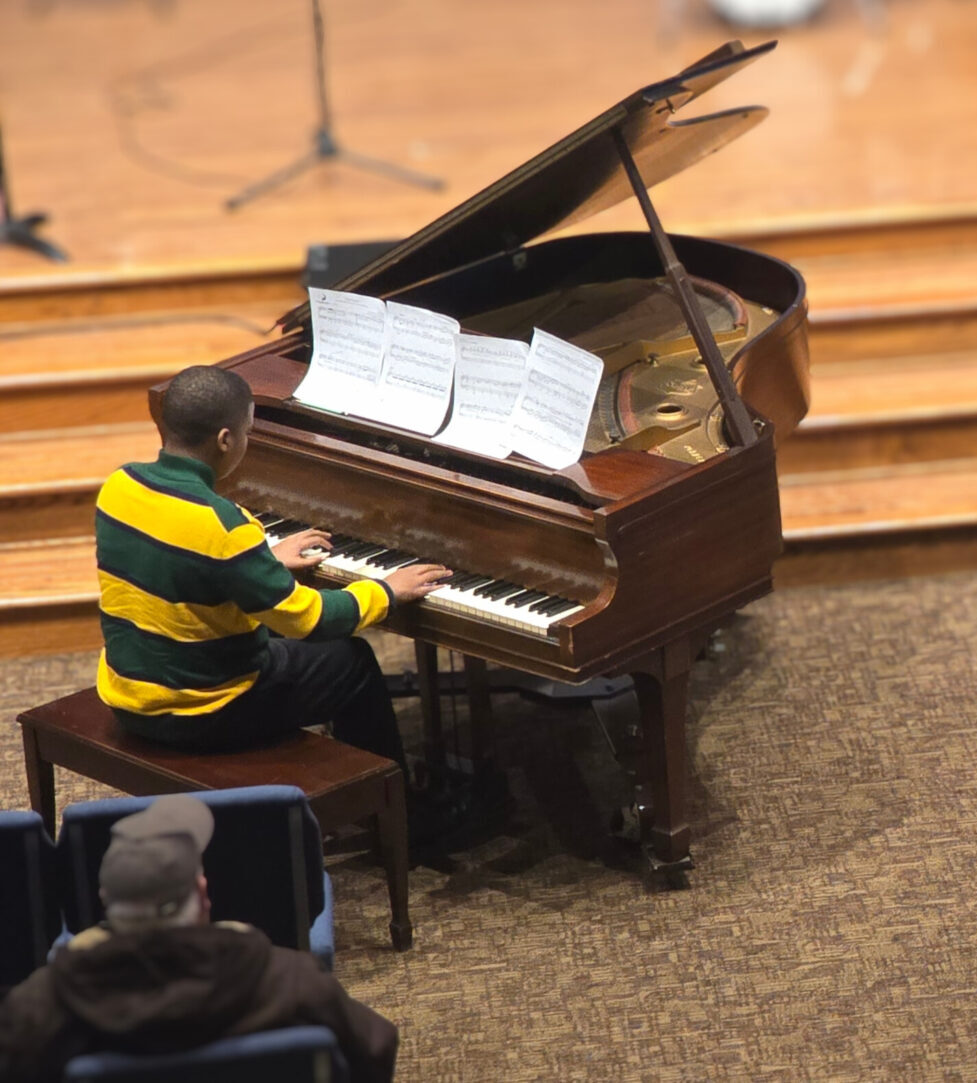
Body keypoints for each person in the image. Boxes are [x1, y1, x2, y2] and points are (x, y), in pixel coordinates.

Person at [94, 364, 448, 767]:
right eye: (248, 431)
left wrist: (261, 562)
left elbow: (176, 558)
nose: (248, 440)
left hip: (127, 696)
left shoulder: (119, 487)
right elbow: (309, 621)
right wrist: (386, 590)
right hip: (202, 713)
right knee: (352, 662)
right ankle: (396, 808)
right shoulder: (226, 527)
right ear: (225, 440)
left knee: (268, 632)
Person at [0, 794, 398, 1083]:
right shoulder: (292, 981)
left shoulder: (39, 1008)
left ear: (106, 902)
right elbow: (375, 1050)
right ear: (203, 895)